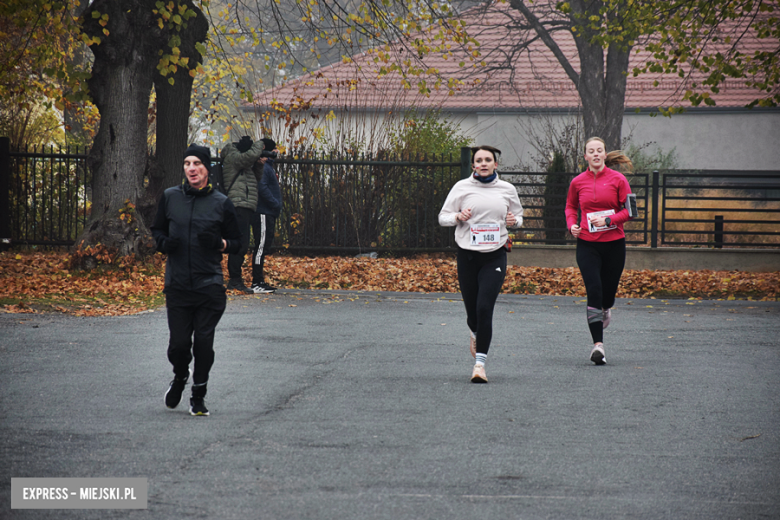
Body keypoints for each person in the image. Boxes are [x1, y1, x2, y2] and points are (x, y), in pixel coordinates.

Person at [151, 144, 242, 416]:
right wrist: (164, 243)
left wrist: (220, 243)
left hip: (209, 286)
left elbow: (239, 243)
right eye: (187, 163)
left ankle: (198, 394)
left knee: (203, 343)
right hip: (178, 285)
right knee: (179, 345)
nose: (191, 168)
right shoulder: (170, 197)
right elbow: (157, 230)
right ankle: (180, 376)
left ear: (207, 169)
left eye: (197, 163)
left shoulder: (221, 203)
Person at [439, 145, 523, 383]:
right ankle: (474, 331)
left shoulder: (507, 189)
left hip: (495, 255)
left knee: (485, 307)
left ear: (495, 165)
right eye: (479, 160)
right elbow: (442, 217)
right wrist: (457, 217)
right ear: (473, 165)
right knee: (473, 312)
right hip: (467, 255)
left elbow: (519, 217)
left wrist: (513, 220)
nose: (484, 163)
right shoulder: (461, 187)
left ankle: (480, 365)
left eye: (488, 160)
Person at [565, 136, 634, 365]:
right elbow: (570, 206)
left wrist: (610, 219)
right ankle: (598, 346)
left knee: (608, 293)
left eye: (599, 150)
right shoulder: (577, 182)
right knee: (593, 289)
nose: (595, 154)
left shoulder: (619, 180)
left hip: (614, 243)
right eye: (591, 151)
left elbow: (631, 211)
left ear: (605, 155)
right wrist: (571, 225)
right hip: (587, 243)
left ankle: (606, 307)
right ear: (585, 156)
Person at [220, 135, 267, 294]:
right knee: (239, 243)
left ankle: (235, 279)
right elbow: (249, 157)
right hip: (237, 204)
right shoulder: (233, 156)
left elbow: (255, 179)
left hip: (245, 205)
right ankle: (234, 280)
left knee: (243, 243)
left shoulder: (243, 161)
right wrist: (261, 144)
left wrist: (259, 166)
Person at [250, 138, 282, 294]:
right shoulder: (264, 169)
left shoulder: (268, 167)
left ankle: (259, 280)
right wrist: (274, 203)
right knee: (260, 247)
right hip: (263, 212)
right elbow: (261, 188)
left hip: (267, 212)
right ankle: (256, 282)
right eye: (274, 150)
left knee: (263, 247)